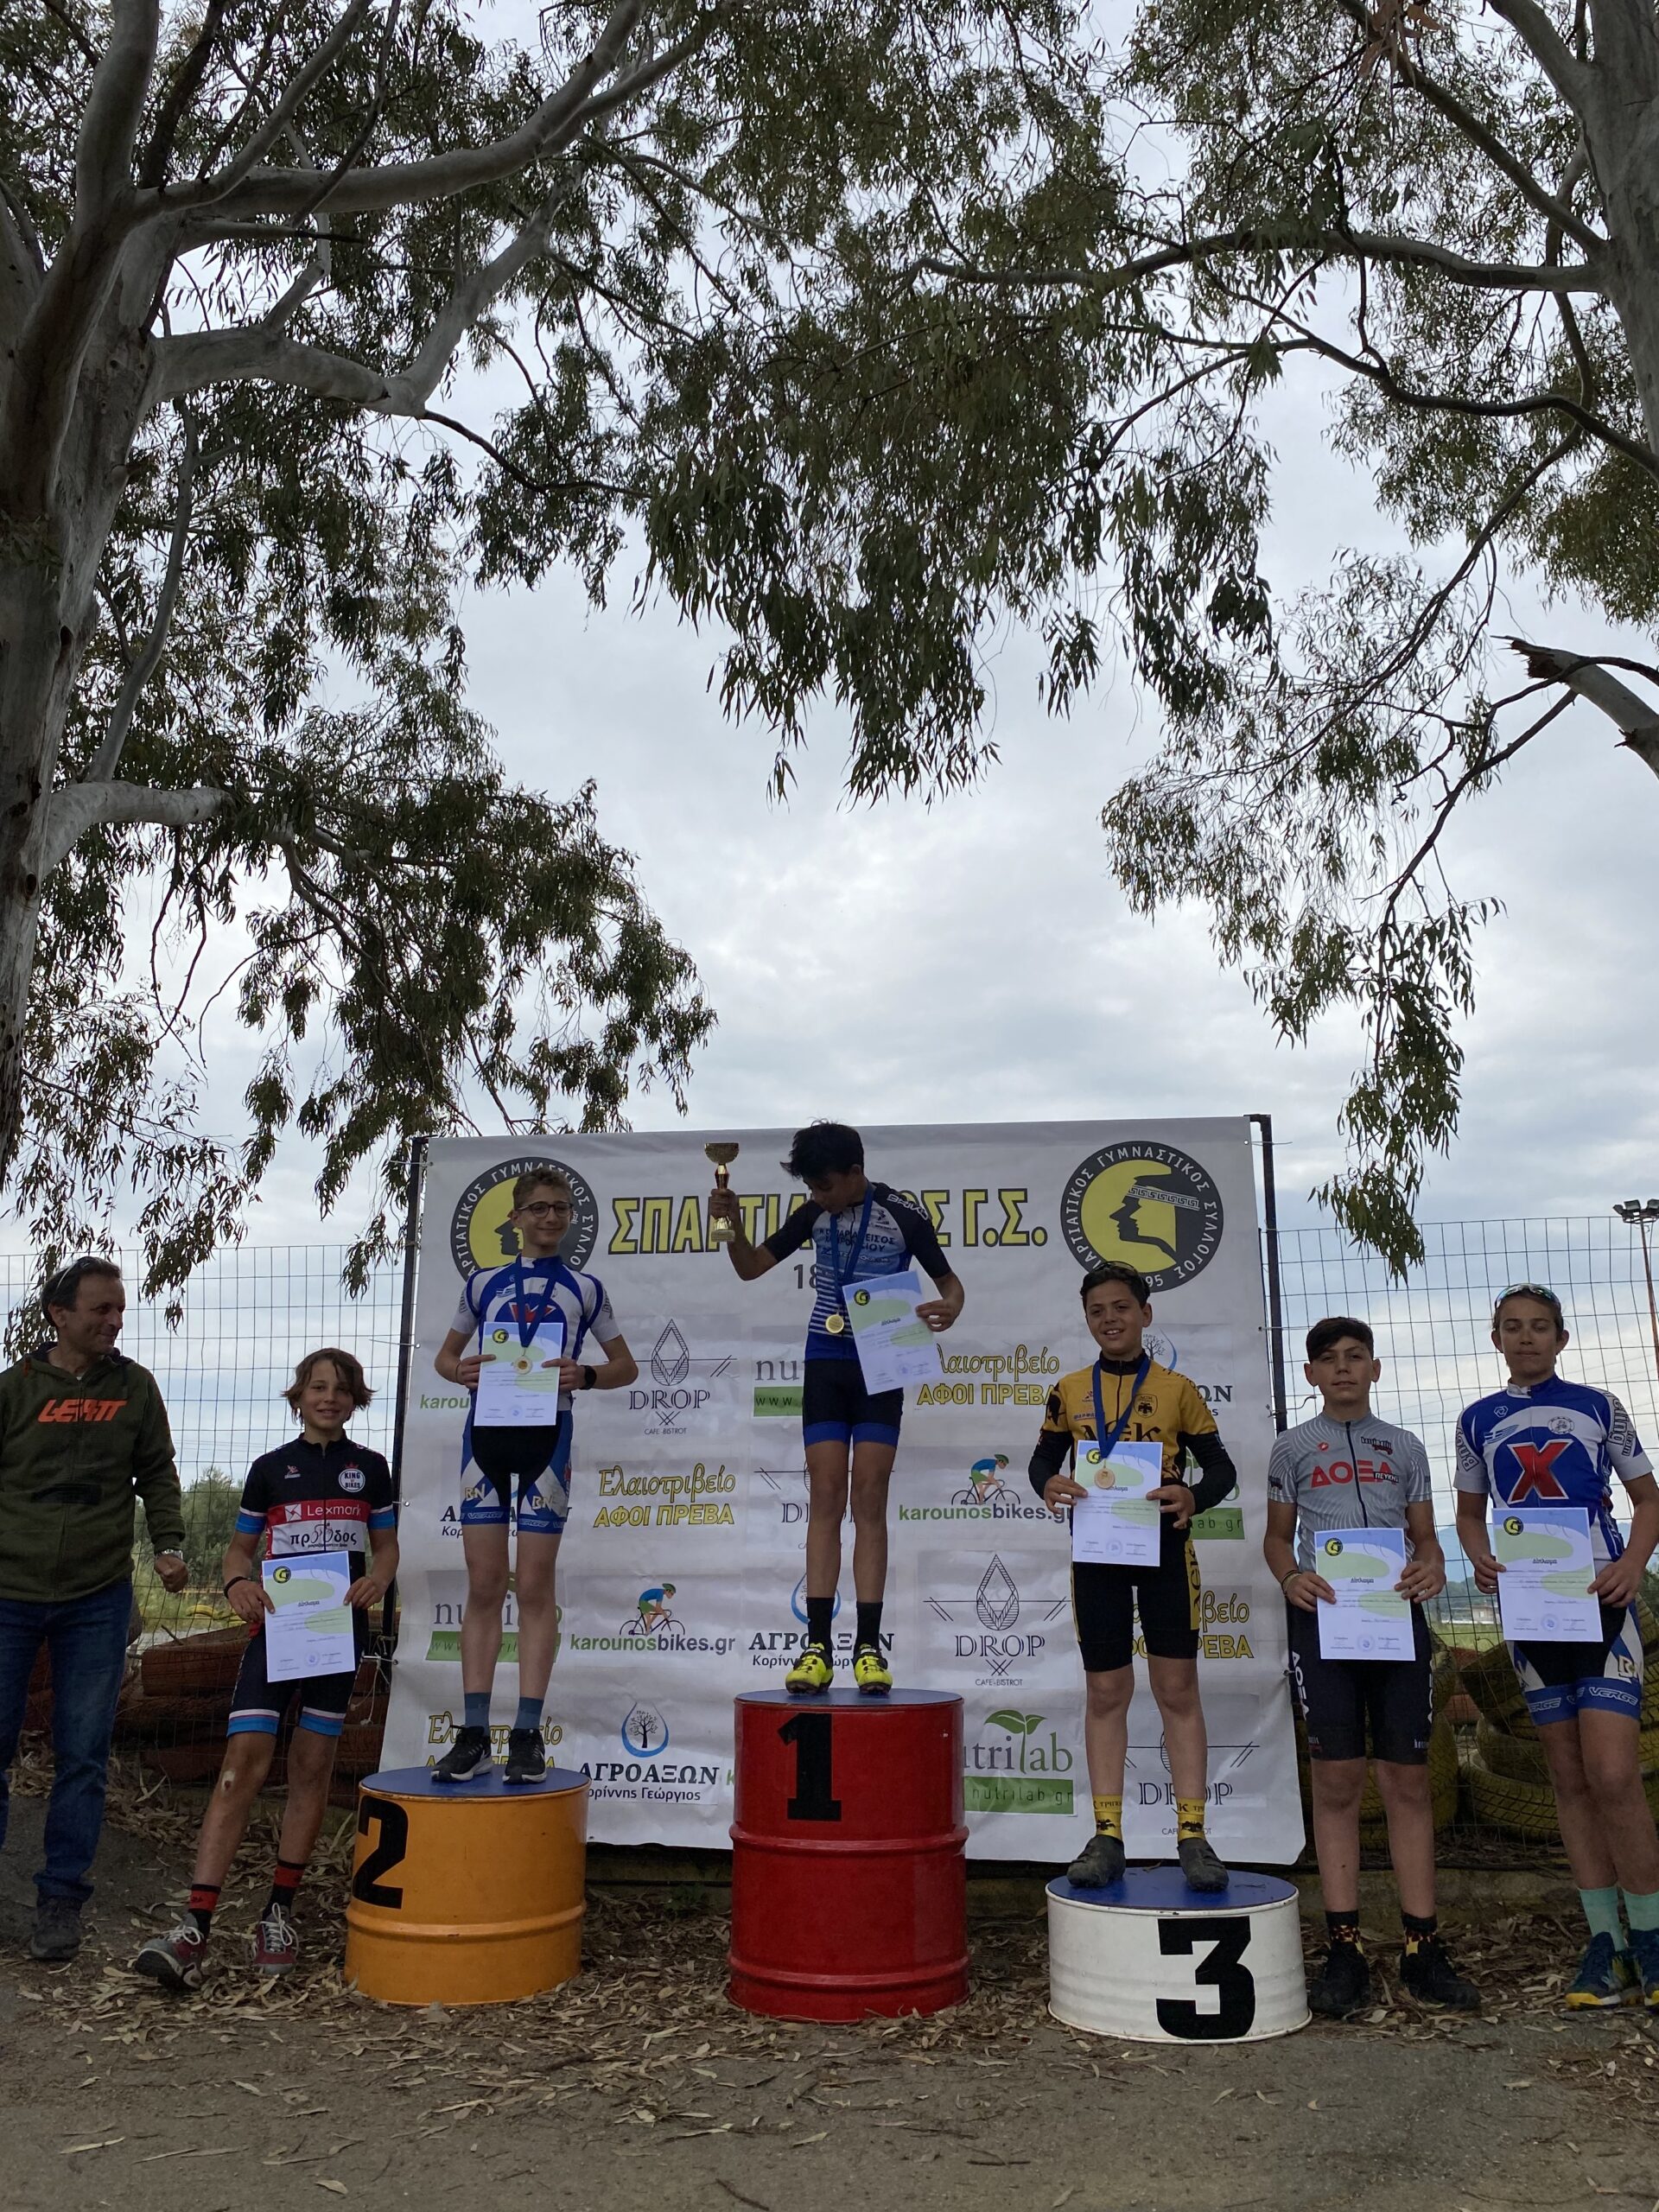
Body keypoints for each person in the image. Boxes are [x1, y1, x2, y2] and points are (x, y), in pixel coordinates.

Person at [133, 1350, 396, 1989]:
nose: (329, 1398)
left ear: (357, 1399)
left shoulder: (371, 1469)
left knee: (311, 1767)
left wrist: (379, 1581)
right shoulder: (269, 1469)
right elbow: (238, 1550)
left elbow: (386, 1548)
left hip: (337, 1635)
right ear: (298, 1397)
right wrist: (237, 1585)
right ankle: (195, 1926)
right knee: (239, 1767)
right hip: (276, 1634)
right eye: (317, 1387)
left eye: (342, 1389)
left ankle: (278, 1914)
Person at [1266, 1316, 1479, 2015]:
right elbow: (1276, 1539)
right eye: (1328, 1359)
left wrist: (1432, 1566)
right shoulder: (1292, 1447)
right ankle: (1344, 1949)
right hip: (1324, 1622)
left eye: (1356, 1357)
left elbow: (1426, 1540)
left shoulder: (1406, 1446)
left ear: (1375, 1369)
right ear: (1310, 1375)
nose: (1343, 1368)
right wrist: (1290, 1576)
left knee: (1407, 1782)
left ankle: (1423, 1945)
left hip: (1395, 1622)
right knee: (1336, 1782)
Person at [1456, 1284, 1659, 2011]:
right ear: (1496, 1339)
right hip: (1533, 1613)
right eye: (1512, 1327)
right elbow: (1469, 1514)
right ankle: (1605, 1944)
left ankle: (1651, 1938)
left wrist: (1631, 1565)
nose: (1526, 1337)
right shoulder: (1476, 1419)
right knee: (1569, 1781)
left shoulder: (1600, 1407)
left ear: (1561, 1338)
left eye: (1540, 1327)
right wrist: (1478, 1556)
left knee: (1614, 1775)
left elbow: (1649, 1499)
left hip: (1601, 1603)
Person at [711, 1122, 963, 1694]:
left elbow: (952, 1285)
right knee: (825, 1497)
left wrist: (949, 1308)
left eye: (824, 1186)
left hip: (883, 1360)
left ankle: (868, 1648)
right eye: (810, 1187)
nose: (817, 1196)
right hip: (827, 1359)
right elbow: (750, 1266)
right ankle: (817, 1647)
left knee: (869, 1498)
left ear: (855, 1173)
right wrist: (731, 1224)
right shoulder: (814, 1214)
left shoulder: (902, 1214)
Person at [0, 1256, 188, 1961]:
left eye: (120, 1311)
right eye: (100, 1309)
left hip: (96, 1598)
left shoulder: (135, 1388)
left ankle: (60, 1901)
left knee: (82, 1755)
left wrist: (168, 1544)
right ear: (59, 1314)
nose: (114, 1322)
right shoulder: (14, 1390)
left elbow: (158, 1473)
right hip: (9, 1593)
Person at [1030, 1261, 1235, 1892]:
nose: (1110, 1319)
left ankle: (1193, 1834)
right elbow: (1041, 1461)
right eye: (1097, 1311)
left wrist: (1194, 1497)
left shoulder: (1177, 1389)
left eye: (1121, 1307)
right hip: (1097, 1557)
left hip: (1165, 1551)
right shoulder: (1069, 1389)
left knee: (1177, 1690)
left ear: (1145, 1314)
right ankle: (1107, 1834)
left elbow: (1221, 1470)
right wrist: (1049, 1483)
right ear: (1087, 1320)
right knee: (1105, 1692)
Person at [432, 1168, 637, 1782]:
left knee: (535, 1586)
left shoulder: (586, 1288)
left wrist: (588, 1376)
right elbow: (445, 1357)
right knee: (484, 1583)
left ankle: (526, 1734)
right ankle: (473, 1734)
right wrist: (459, 1371)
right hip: (487, 1437)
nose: (551, 1218)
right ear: (515, 1218)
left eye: (562, 1209)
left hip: (549, 1436)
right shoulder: (482, 1283)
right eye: (540, 1208)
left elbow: (625, 1365)